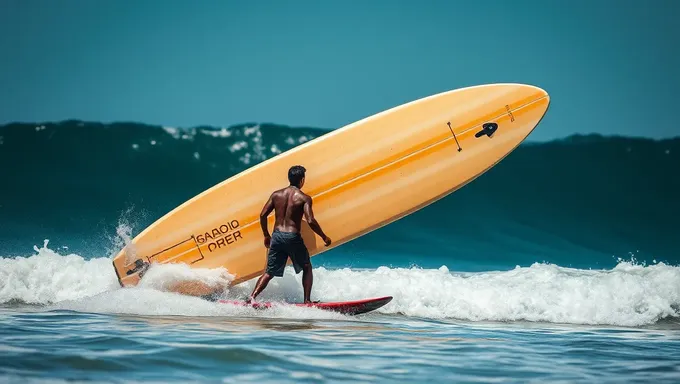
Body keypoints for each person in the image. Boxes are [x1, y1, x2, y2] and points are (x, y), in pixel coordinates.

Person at [246, 165, 331, 303]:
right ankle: (307, 301)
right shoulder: (304, 198)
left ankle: (251, 298)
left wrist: (266, 235)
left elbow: (262, 215)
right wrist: (324, 236)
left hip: (277, 236)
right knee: (306, 266)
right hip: (292, 237)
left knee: (269, 272)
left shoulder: (276, 195)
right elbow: (310, 220)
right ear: (302, 180)